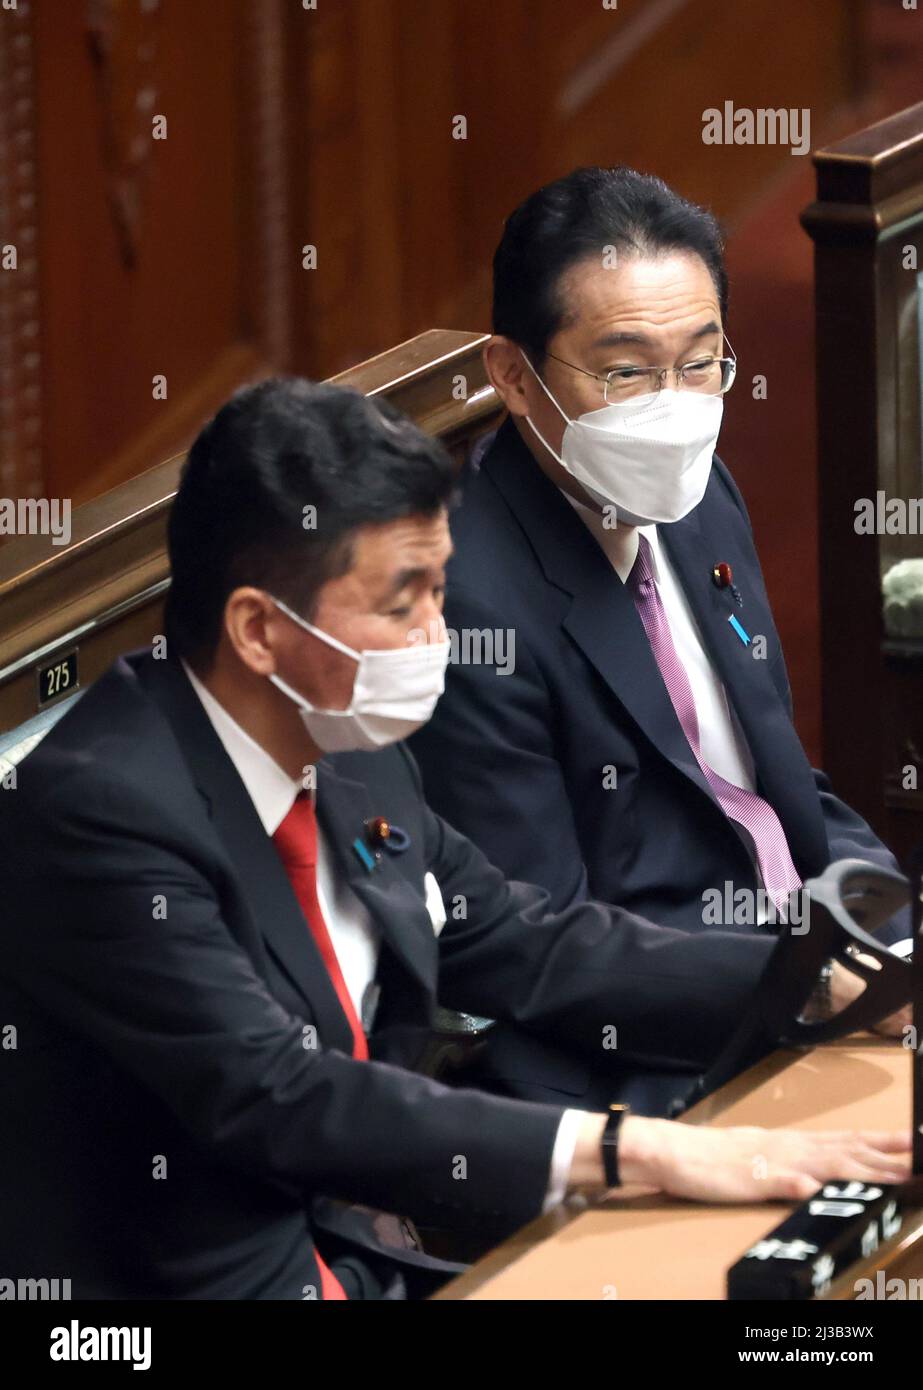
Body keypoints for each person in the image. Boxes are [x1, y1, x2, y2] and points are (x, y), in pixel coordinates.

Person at [0, 380, 908, 1301]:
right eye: (403, 604)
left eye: (441, 588)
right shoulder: (103, 811)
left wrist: (825, 985)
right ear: (259, 629)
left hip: (362, 1253)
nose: (438, 634)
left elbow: (527, 943)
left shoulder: (349, 745)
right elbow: (281, 1096)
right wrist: (646, 1149)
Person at [410, 166, 911, 1114]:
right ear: (513, 376)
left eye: (700, 361)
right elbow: (536, 946)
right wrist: (794, 985)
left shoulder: (694, 493)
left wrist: (887, 924)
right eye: (628, 371)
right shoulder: (463, 603)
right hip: (653, 1057)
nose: (674, 408)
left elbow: (773, 788)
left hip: (814, 963)